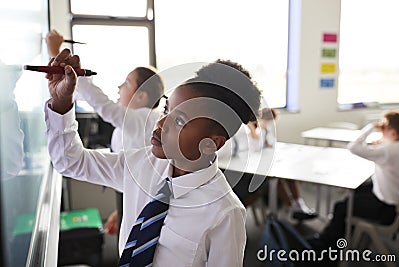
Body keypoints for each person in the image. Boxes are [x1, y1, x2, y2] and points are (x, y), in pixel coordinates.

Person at [45, 49, 261, 266]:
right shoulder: (142, 164)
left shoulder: (224, 213)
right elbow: (70, 162)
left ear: (211, 144)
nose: (160, 123)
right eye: (166, 110)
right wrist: (62, 102)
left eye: (179, 121)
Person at [46, 30, 165, 235]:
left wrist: (56, 54)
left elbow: (102, 105)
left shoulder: (144, 118)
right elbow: (129, 175)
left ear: (141, 96)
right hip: (133, 194)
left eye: (127, 83)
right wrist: (118, 211)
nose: (119, 87)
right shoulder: (133, 124)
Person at [309, 111, 399, 249]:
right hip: (393, 200)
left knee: (341, 207)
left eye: (383, 127)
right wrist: (381, 143)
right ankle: (344, 234)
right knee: (355, 191)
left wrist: (371, 127)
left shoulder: (387, 151)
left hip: (386, 209)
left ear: (393, 133)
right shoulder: (393, 148)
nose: (380, 129)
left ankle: (326, 247)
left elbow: (353, 147)